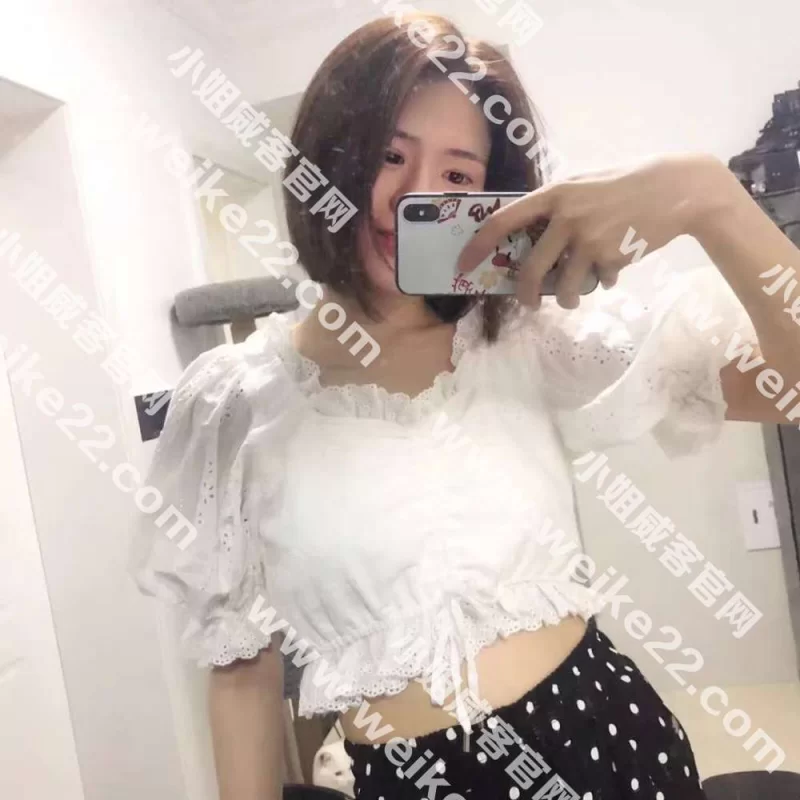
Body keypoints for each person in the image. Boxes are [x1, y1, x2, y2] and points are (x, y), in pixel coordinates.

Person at [129, 11, 800, 800]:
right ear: (328, 159)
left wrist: (709, 196)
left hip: (610, 747)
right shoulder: (234, 402)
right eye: (389, 156)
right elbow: (242, 671)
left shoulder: (527, 336)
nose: (413, 196)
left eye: (456, 176)